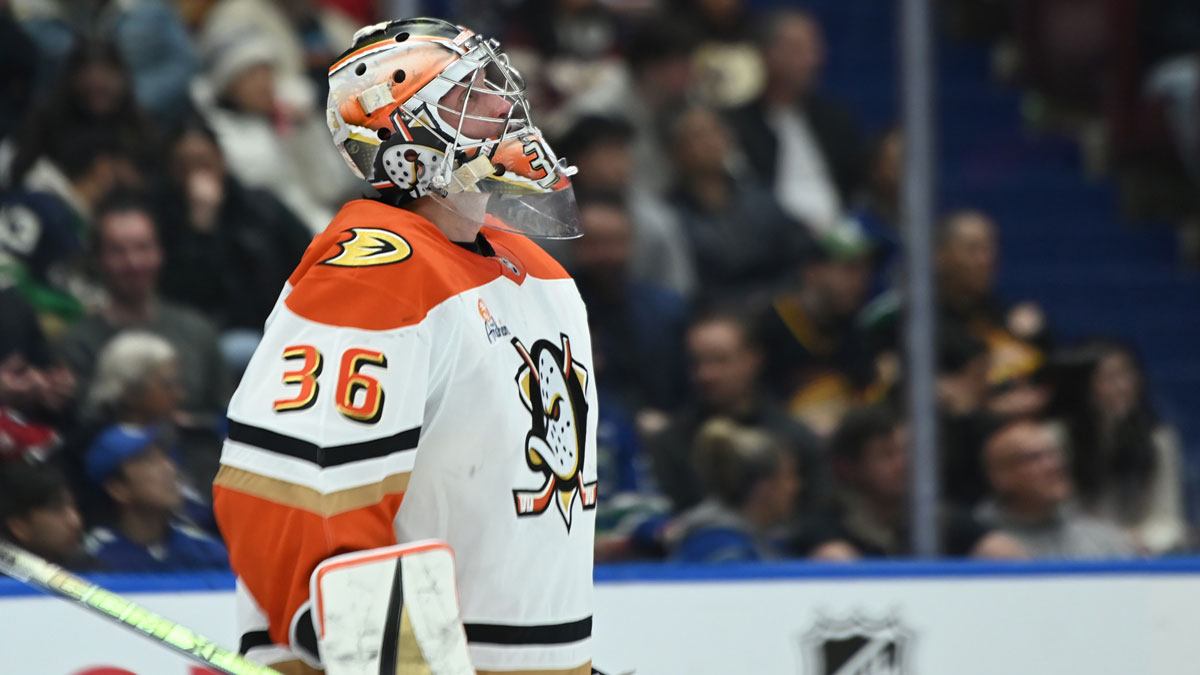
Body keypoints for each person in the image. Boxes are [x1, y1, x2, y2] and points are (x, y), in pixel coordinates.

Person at [212, 18, 599, 674]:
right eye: (470, 96)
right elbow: (296, 480)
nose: (504, 107)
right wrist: (376, 643)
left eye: (497, 87)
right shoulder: (373, 272)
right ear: (405, 140)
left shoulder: (539, 273)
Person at [57, 190, 231, 448]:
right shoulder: (77, 343)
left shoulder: (197, 329)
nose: (133, 262)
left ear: (160, 252)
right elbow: (84, 424)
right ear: (98, 259)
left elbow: (227, 412)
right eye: (117, 251)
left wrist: (193, 424)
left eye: (143, 247)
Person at [647, 309, 824, 515]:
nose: (706, 375)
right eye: (696, 362)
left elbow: (817, 512)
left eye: (719, 360)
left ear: (754, 358)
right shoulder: (670, 442)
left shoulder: (795, 438)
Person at [818, 405, 1027, 559]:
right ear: (848, 467)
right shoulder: (828, 523)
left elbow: (1006, 554)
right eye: (886, 455)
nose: (904, 464)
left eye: (908, 451)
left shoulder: (939, 517)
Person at [727, 8, 865, 234]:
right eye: (798, 50)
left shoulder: (835, 119)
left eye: (815, 48)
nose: (813, 60)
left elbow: (856, 191)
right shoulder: (740, 125)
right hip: (774, 244)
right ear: (766, 55)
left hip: (838, 240)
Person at [1047, 340, 1187, 554]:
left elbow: (1167, 516)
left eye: (1128, 375)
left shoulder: (1157, 439)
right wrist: (1104, 541)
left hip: (1138, 551)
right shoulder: (1051, 439)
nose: (1124, 387)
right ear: (1081, 385)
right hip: (1068, 553)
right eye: (1108, 378)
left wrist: (1147, 538)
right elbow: (1052, 516)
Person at [81, 331, 219, 528]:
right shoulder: (105, 447)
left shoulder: (194, 437)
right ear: (130, 392)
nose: (179, 394)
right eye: (168, 385)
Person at [758, 219, 880, 435]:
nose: (860, 282)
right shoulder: (769, 326)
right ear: (812, 272)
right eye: (849, 269)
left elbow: (865, 394)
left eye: (864, 271)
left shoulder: (856, 329)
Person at [976, 421, 1135, 559]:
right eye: (1033, 458)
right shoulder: (973, 540)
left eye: (1054, 454)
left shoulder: (1104, 541)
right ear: (1000, 476)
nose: (1053, 466)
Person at [82, 423, 229, 571]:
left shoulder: (206, 551)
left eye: (164, 457)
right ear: (118, 489)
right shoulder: (94, 557)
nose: (169, 468)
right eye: (148, 461)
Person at [0, 460, 92, 569]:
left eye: (73, 506)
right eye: (57, 509)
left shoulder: (93, 571)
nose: (76, 521)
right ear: (20, 526)